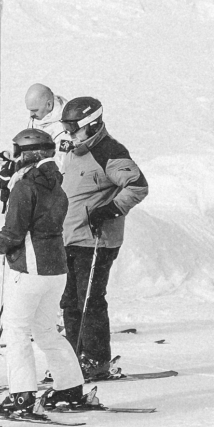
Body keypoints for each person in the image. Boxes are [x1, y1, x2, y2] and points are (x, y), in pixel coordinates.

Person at [0, 127, 87, 414]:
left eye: (16, 152)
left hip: (29, 268)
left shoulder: (26, 186)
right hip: (56, 268)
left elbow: (13, 233)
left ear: (26, 154)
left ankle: (22, 396)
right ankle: (70, 388)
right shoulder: (56, 184)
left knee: (17, 331)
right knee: (46, 330)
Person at [56, 96, 148, 381]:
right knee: (69, 302)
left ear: (92, 125)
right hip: (70, 238)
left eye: (74, 127)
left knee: (90, 300)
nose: (69, 133)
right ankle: (74, 358)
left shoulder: (109, 150)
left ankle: (95, 360)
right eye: (66, 126)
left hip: (96, 240)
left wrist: (109, 209)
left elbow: (138, 186)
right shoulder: (74, 151)